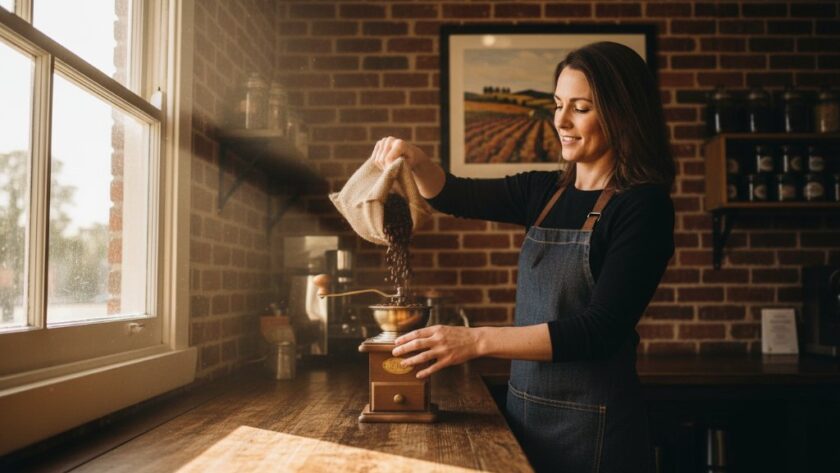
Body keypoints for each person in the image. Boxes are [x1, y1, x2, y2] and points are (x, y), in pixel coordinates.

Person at [371, 41, 675, 473]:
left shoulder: (644, 207)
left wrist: (476, 340)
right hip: (525, 415)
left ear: (622, 114)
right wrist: (415, 159)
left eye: (581, 108)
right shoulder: (545, 192)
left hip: (596, 430)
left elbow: (599, 331)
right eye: (557, 104)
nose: (561, 121)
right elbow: (455, 194)